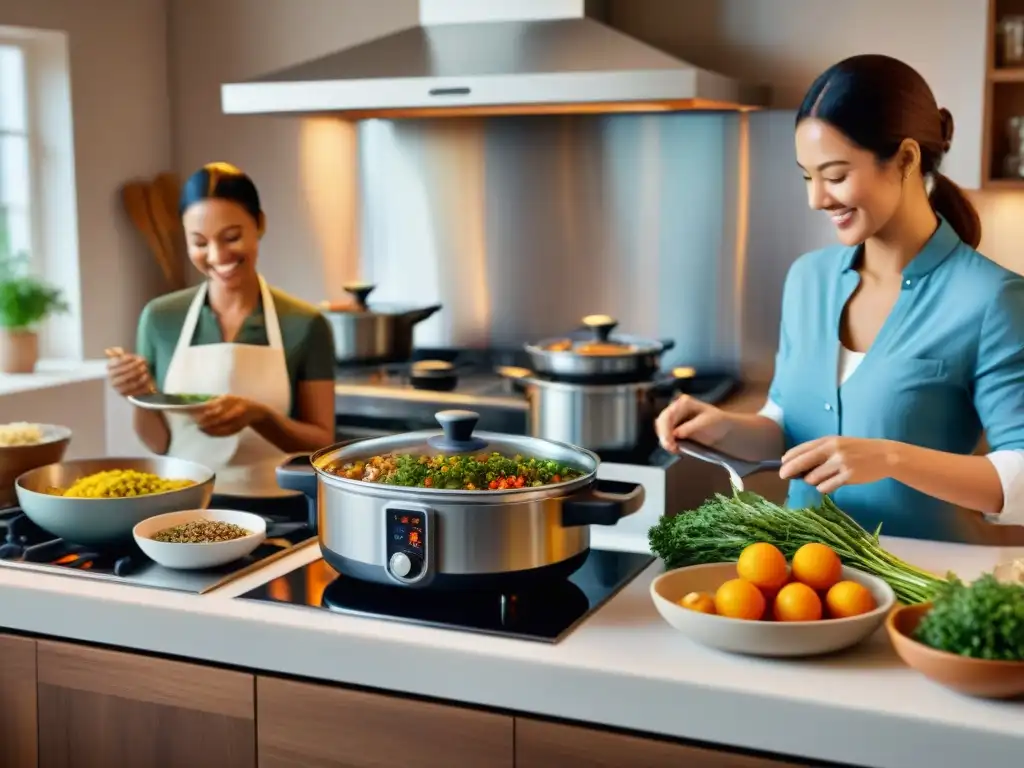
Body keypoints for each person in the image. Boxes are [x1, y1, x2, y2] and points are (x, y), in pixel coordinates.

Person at [655, 54, 1024, 543]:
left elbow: (1018, 477)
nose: (817, 199)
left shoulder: (991, 298)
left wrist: (890, 457)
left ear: (907, 160)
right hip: (805, 584)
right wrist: (721, 428)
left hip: (921, 588)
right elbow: (787, 425)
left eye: (835, 174)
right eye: (808, 177)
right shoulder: (808, 279)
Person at [107, 162, 336, 507]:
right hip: (182, 505)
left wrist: (259, 416)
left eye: (231, 237)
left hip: (282, 509)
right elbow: (158, 443)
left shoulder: (305, 323)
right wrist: (137, 393)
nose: (217, 256)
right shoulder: (160, 318)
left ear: (259, 224)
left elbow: (321, 445)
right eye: (199, 242)